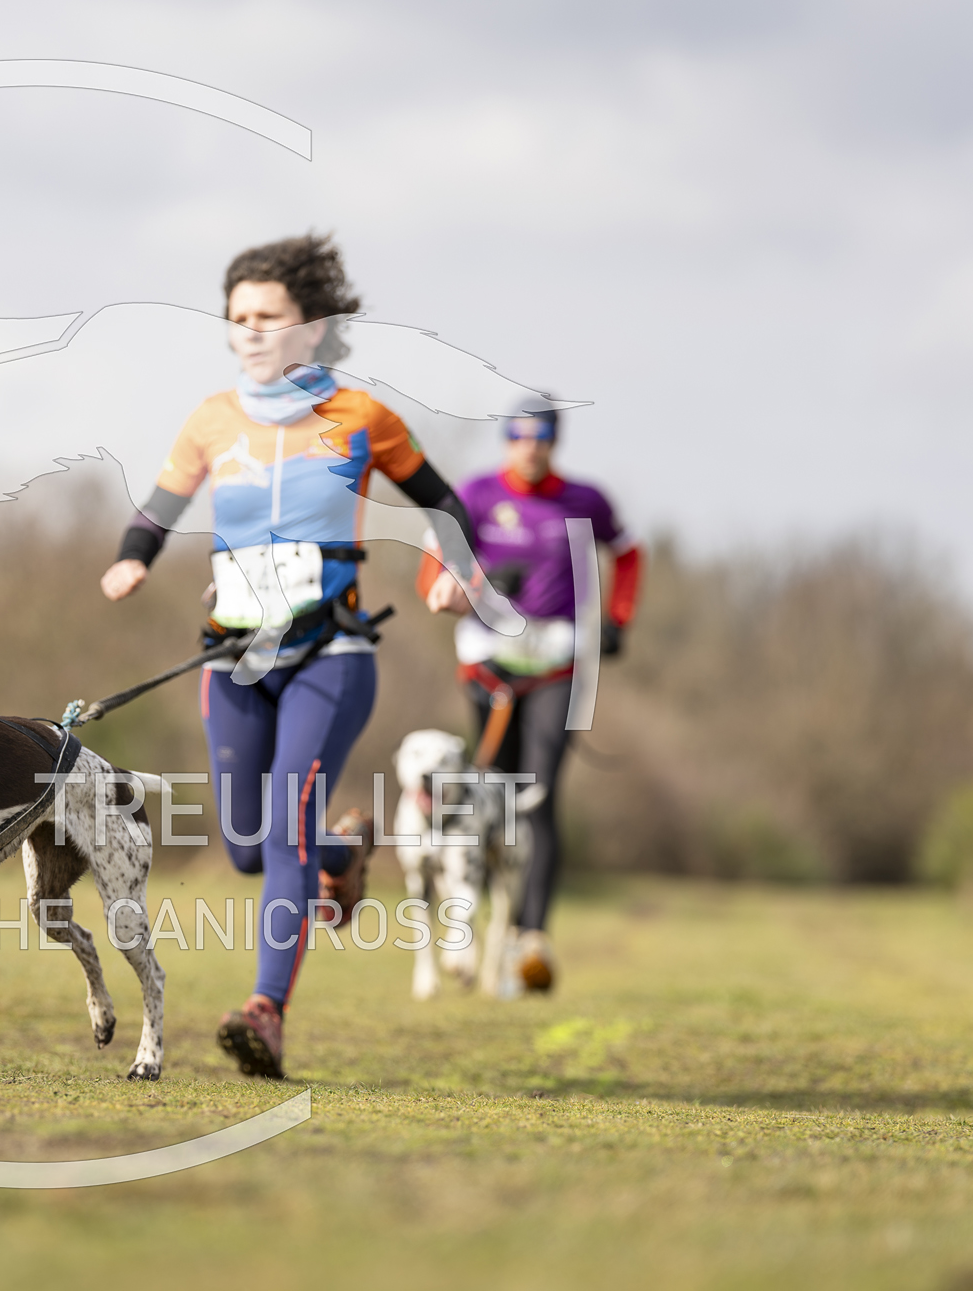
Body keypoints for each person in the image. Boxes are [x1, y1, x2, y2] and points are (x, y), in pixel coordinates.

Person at [101, 233, 483, 1078]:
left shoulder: (362, 417)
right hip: (233, 658)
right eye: (236, 317)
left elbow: (444, 504)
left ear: (310, 326)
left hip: (329, 654)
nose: (248, 331)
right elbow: (158, 509)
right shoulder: (211, 418)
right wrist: (133, 559)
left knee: (282, 831)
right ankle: (340, 857)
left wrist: (455, 569)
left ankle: (264, 1011)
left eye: (266, 316)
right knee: (247, 846)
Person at [419, 410, 642, 992]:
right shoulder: (476, 494)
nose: (529, 448)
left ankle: (530, 941)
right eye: (518, 437)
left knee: (537, 795)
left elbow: (629, 553)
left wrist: (618, 618)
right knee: (488, 796)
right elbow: (433, 566)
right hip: (488, 663)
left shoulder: (585, 500)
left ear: (554, 443)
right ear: (507, 442)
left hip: (557, 666)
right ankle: (472, 932)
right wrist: (470, 587)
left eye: (540, 438)